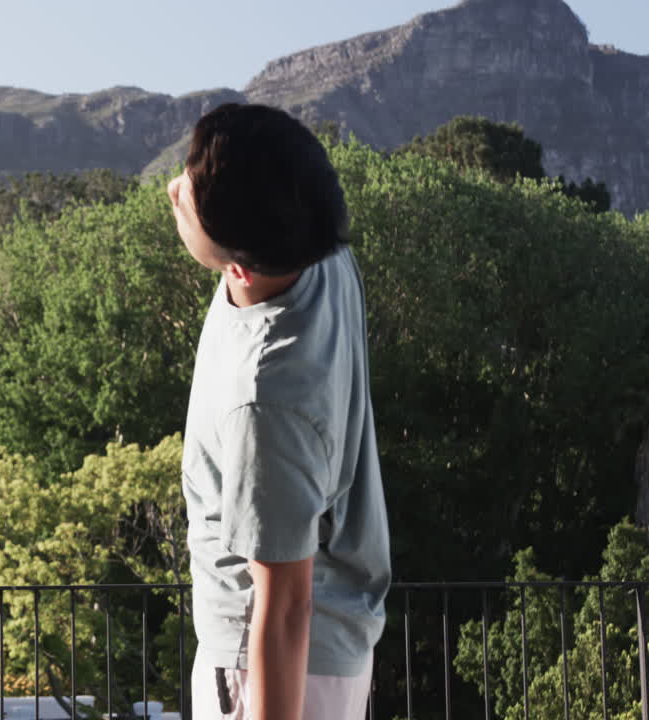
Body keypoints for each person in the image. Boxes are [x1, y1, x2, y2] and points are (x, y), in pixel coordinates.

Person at [167, 103, 391, 720]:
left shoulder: (267, 400)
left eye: (184, 196)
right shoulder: (320, 255)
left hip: (267, 670)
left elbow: (285, 608)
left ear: (238, 264)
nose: (172, 190)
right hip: (322, 655)